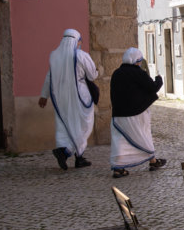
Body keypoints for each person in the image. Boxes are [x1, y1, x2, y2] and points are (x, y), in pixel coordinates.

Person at [38, 28, 97, 170]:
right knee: (84, 126)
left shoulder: (54, 56)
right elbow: (92, 76)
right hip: (79, 98)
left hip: (60, 98)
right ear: (76, 41)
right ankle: (65, 152)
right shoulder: (81, 56)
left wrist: (44, 95)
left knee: (65, 126)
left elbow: (49, 76)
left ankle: (79, 157)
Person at [109, 47, 166, 178]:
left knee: (120, 140)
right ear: (136, 61)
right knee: (143, 135)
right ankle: (153, 161)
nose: (140, 63)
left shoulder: (116, 73)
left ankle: (118, 168)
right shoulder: (137, 73)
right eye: (139, 61)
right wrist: (159, 80)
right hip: (136, 113)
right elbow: (152, 87)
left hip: (118, 114)